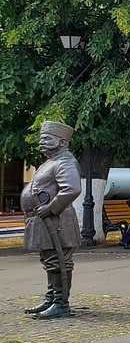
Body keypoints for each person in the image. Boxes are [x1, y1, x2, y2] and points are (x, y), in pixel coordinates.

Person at [21, 121, 83, 319]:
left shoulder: (65, 161)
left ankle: (60, 304)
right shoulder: (51, 162)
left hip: (57, 221)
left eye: (47, 138)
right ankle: (51, 299)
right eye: (41, 138)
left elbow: (71, 189)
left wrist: (51, 208)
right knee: (49, 260)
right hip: (45, 221)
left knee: (59, 262)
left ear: (62, 142)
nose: (41, 142)